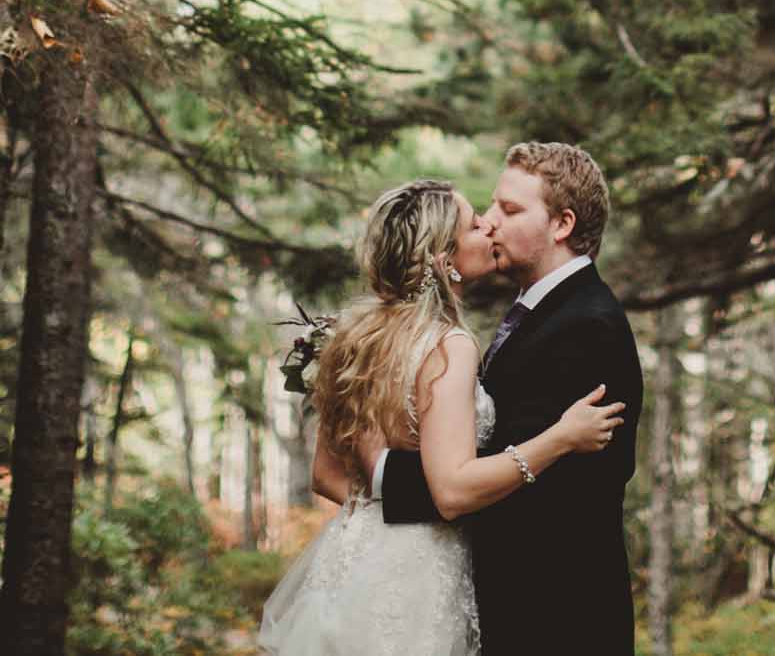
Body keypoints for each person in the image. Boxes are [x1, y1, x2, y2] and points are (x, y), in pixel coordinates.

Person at [259, 177, 624, 656]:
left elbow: (327, 477)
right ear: (442, 259)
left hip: (350, 566)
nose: (488, 227)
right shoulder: (447, 345)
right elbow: (452, 491)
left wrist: (385, 486)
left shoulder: (353, 338)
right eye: (475, 225)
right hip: (418, 576)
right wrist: (560, 437)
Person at [378, 143, 647, 656]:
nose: (490, 221)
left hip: (557, 620)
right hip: (522, 611)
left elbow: (542, 487)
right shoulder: (544, 311)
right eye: (493, 206)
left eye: (511, 209)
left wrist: (377, 477)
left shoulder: (586, 325)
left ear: (562, 224)